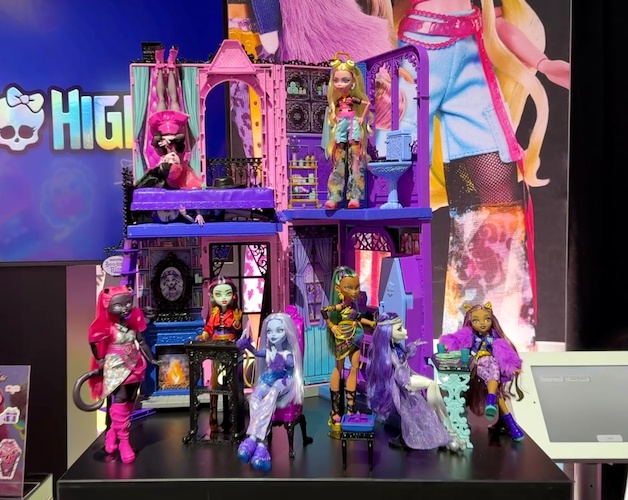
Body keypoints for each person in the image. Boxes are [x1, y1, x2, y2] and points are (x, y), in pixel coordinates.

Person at [390, 0, 570, 348]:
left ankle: (489, 337)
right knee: (393, 179)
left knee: (494, 198)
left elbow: (495, 21)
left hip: (470, 49)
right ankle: (389, 332)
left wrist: (542, 63)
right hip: (414, 51)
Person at [367, 311, 465, 451]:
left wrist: (412, 348)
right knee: (430, 385)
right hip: (403, 381)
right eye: (400, 329)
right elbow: (397, 369)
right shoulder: (388, 352)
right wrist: (405, 382)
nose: (405, 330)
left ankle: (440, 418)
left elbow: (404, 358)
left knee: (430, 389)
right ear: (388, 333)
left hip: (407, 377)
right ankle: (440, 418)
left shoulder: (397, 347)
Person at [86, 286, 159, 463]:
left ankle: (111, 435)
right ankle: (124, 442)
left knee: (131, 400)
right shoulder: (107, 326)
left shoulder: (132, 321)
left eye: (128, 304)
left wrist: (151, 359)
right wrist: (100, 359)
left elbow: (141, 342)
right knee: (120, 398)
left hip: (135, 364)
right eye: (119, 305)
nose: (125, 308)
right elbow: (94, 340)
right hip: (116, 367)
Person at [438, 302, 525, 441]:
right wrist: (448, 346)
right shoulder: (469, 335)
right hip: (477, 365)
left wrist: (512, 366)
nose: (482, 323)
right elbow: (455, 341)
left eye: (487, 319)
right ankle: (506, 417)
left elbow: (505, 353)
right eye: (476, 320)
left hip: (491, 365)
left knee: (495, 373)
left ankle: (492, 401)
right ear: (470, 322)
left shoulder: (495, 337)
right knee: (491, 376)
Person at [236, 312, 304, 471]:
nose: (273, 335)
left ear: (287, 332)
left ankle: (252, 437)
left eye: (279, 331)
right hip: (270, 378)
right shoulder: (269, 350)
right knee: (255, 396)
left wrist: (281, 359)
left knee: (273, 392)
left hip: (284, 381)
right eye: (269, 331)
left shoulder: (287, 353)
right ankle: (261, 445)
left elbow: (290, 364)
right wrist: (246, 343)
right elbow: (256, 353)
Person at [320, 266, 374, 432]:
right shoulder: (340, 307)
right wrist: (332, 326)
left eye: (357, 287)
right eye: (350, 288)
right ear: (339, 289)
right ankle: (335, 412)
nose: (355, 291)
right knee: (339, 369)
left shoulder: (352, 308)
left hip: (355, 338)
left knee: (354, 369)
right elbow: (324, 311)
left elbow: (359, 318)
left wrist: (372, 323)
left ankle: (350, 409)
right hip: (342, 339)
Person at [322, 53, 373, 209]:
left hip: (353, 125)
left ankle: (355, 196)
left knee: (356, 161)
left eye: (345, 80)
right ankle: (334, 196)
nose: (340, 84)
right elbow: (333, 110)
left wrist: (361, 118)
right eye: (336, 80)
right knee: (338, 160)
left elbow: (366, 104)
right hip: (341, 126)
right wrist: (334, 117)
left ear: (353, 82)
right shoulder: (337, 101)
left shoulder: (353, 99)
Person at [197, 276, 243, 431]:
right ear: (212, 296)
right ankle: (214, 417)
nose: (223, 298)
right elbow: (209, 327)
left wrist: (237, 322)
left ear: (233, 296)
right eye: (219, 294)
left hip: (229, 346)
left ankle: (232, 418)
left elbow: (236, 327)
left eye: (227, 294)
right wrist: (204, 335)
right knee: (216, 382)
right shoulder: (214, 314)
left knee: (231, 381)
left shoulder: (233, 313)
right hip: (217, 347)